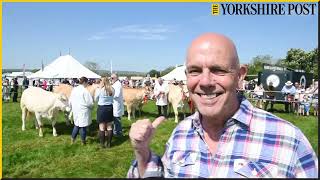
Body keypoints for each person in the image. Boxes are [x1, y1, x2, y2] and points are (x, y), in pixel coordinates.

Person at [127, 33, 318, 178]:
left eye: (218, 70)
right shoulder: (180, 134)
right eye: (194, 71)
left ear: (240, 76)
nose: (205, 81)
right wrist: (142, 152)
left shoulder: (289, 140)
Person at [69, 76, 94, 145]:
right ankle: (83, 142)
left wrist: (71, 107)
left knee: (76, 125)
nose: (87, 84)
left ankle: (72, 140)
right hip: (83, 110)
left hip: (76, 110)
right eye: (87, 83)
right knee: (83, 127)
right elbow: (90, 103)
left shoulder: (74, 89)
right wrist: (92, 107)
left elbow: (70, 100)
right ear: (85, 82)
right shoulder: (85, 91)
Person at [94, 77, 114, 148]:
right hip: (110, 108)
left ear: (102, 82)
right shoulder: (112, 89)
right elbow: (113, 97)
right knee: (109, 126)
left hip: (102, 108)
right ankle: (109, 143)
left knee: (101, 127)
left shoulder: (99, 90)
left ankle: (102, 144)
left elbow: (95, 99)